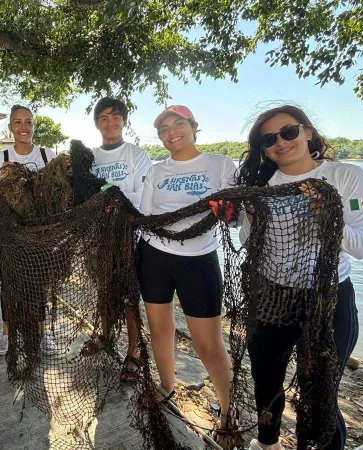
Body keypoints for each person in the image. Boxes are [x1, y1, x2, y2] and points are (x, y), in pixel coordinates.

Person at [235, 105, 363, 450]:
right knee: (266, 380)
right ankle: (267, 442)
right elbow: (248, 242)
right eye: (269, 140)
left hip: (328, 299)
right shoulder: (260, 184)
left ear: (307, 132)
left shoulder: (347, 177)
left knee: (319, 395)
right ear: (263, 148)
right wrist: (250, 217)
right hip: (270, 296)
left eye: (288, 132)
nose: (281, 143)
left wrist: (329, 218)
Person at [137, 106, 234, 433]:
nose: (171, 132)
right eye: (163, 129)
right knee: (159, 330)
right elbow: (146, 216)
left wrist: (229, 212)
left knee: (208, 344)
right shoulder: (156, 171)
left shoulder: (220, 164)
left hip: (199, 260)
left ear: (194, 126)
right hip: (154, 257)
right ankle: (167, 387)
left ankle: (228, 411)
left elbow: (235, 218)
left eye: (178, 124)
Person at [91, 97, 153, 382]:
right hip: (99, 237)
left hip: (130, 236)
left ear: (124, 121)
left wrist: (114, 198)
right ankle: (105, 336)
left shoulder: (136, 154)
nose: (110, 122)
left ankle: (133, 351)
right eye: (103, 117)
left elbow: (145, 196)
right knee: (104, 289)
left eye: (115, 116)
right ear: (97, 124)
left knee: (130, 296)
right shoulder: (91, 158)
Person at [0, 105, 58, 356]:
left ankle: (43, 333)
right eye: (17, 122)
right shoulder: (1, 158)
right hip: (10, 234)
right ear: (10, 127)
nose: (23, 127)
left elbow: (57, 192)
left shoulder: (47, 155)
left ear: (33, 126)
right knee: (9, 284)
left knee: (39, 285)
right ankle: (7, 333)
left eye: (28, 122)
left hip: (39, 234)